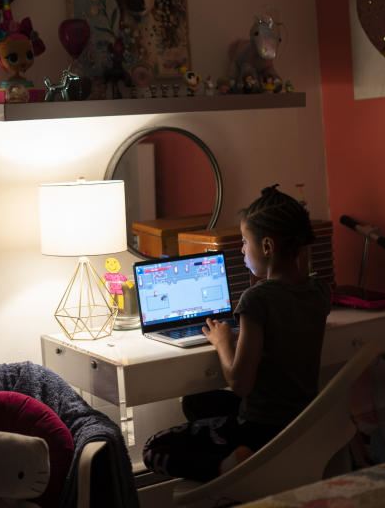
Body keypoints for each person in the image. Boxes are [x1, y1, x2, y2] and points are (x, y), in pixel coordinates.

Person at [142, 185, 332, 482]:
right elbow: (298, 277)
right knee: (195, 402)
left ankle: (233, 465)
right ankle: (249, 455)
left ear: (267, 247)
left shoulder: (257, 300)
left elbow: (240, 383)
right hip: (299, 421)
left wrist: (222, 342)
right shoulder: (320, 293)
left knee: (153, 449)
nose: (242, 249)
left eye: (245, 242)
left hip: (261, 426)